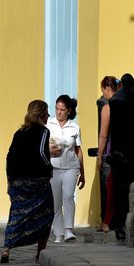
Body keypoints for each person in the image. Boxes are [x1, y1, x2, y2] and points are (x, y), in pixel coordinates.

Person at [1, 100, 54, 263]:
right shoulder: (44, 132)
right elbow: (42, 153)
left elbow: (10, 156)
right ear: (41, 114)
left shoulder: (19, 132)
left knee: (16, 214)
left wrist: (9, 178)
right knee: (46, 214)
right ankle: (40, 253)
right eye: (47, 113)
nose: (49, 116)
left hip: (19, 181)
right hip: (38, 181)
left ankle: (6, 249)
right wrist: (50, 167)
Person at [105, 73, 134, 240]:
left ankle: (119, 225)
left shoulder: (116, 102)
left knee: (119, 192)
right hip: (131, 153)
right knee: (121, 191)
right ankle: (120, 225)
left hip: (121, 154)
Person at [47, 95, 84, 243]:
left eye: (62, 109)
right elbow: (42, 146)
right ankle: (58, 233)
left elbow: (78, 150)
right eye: (57, 108)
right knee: (56, 201)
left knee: (68, 196)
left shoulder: (75, 128)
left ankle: (69, 229)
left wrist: (83, 172)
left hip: (71, 167)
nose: (58, 112)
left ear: (68, 111)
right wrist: (49, 150)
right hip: (53, 167)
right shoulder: (48, 125)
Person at [96, 76, 120, 233]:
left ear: (106, 88)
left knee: (109, 189)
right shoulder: (126, 104)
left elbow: (103, 135)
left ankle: (106, 222)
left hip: (111, 154)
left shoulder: (107, 107)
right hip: (126, 153)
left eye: (102, 90)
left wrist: (99, 156)